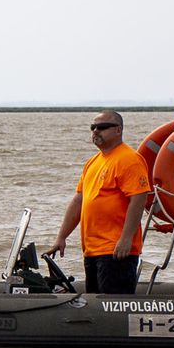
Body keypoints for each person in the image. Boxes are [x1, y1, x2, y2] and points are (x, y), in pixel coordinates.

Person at [46, 110, 152, 294]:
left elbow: (139, 198)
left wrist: (126, 239)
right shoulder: (92, 162)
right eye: (92, 127)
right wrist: (61, 237)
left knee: (113, 308)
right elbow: (79, 200)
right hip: (92, 250)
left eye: (102, 127)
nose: (95, 131)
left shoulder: (129, 159)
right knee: (95, 307)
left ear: (118, 130)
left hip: (116, 250)